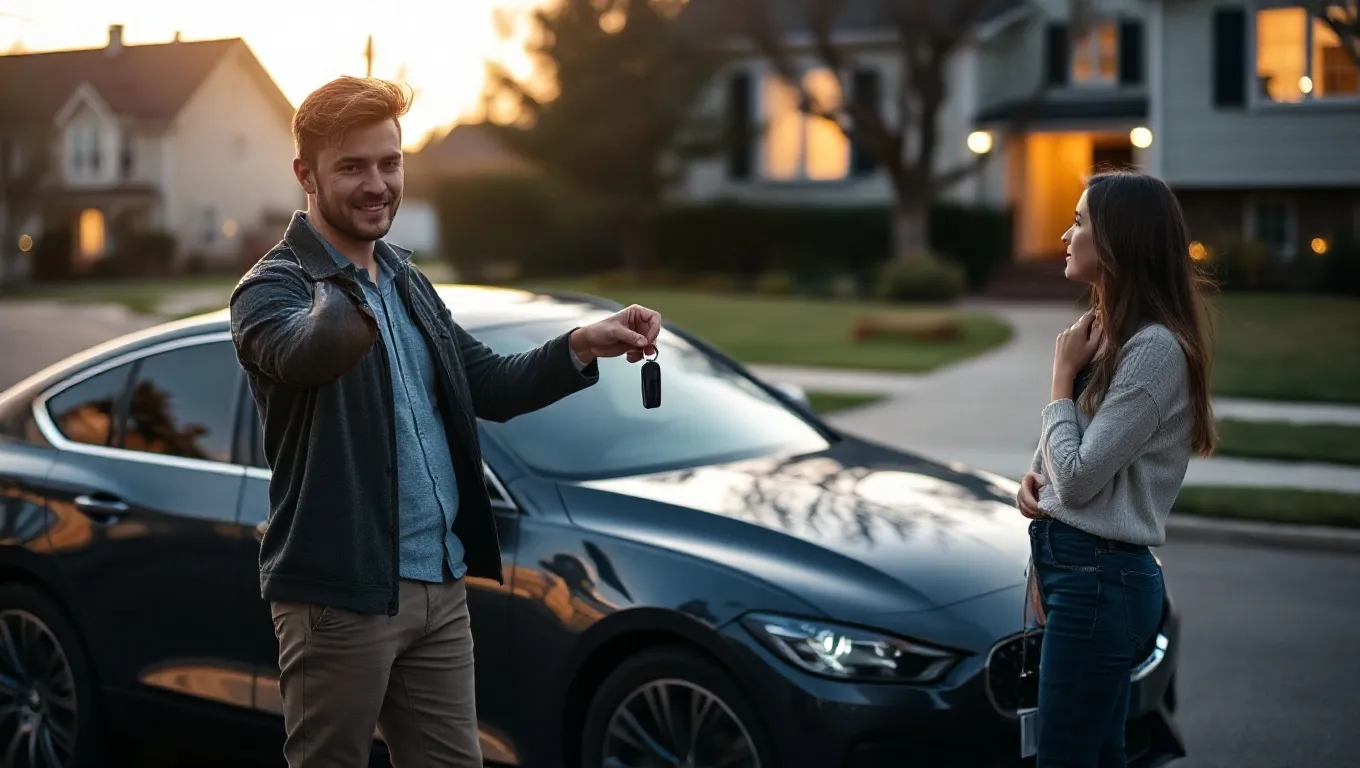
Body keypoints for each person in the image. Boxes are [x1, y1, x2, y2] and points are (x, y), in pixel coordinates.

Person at [228, 76, 662, 768]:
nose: (378, 185)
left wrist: (583, 343)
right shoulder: (271, 289)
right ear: (304, 174)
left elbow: (486, 382)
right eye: (352, 167)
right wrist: (343, 281)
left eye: (389, 163)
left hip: (440, 586)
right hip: (339, 599)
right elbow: (306, 352)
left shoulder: (405, 277)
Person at [1014, 170, 1216, 767]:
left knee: (1066, 758)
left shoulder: (1154, 351)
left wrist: (1059, 375)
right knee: (1098, 756)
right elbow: (1065, 461)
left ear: (1118, 243)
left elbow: (1076, 479)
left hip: (1100, 582)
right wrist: (1034, 482)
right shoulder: (1110, 335)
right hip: (1082, 575)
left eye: (1079, 223)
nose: (1064, 234)